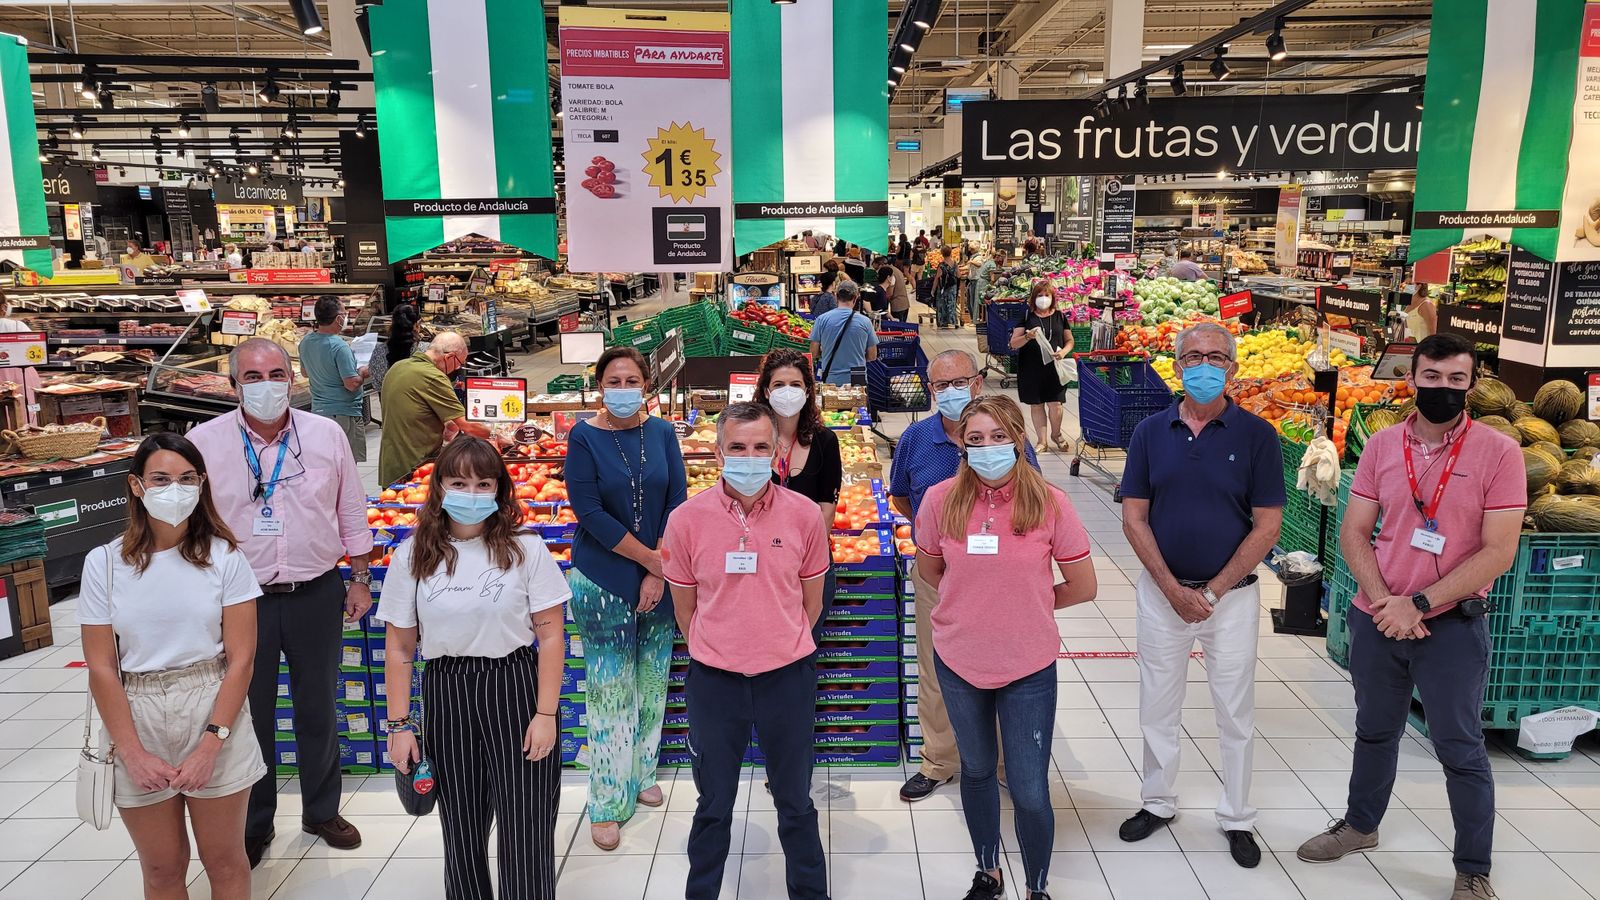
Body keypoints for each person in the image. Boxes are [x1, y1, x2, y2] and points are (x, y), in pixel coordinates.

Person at [1297, 335, 1524, 900]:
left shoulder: (1500, 452)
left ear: (1472, 383)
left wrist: (1419, 604)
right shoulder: (1380, 446)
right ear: (1413, 377)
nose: (1442, 389)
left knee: (1459, 747)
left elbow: (1499, 552)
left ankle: (1473, 869)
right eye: (1432, 377)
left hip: (1452, 626)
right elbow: (1354, 532)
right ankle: (1360, 825)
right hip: (1378, 619)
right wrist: (1385, 603)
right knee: (1375, 731)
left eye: (1455, 379)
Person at [188, 337, 374, 867]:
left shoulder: (325, 434)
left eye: (275, 374)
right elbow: (192, 525)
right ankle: (256, 820)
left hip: (317, 590)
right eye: (252, 376)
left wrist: (359, 575)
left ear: (292, 379)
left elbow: (351, 508)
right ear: (233, 386)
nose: (266, 386)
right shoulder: (204, 443)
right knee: (252, 714)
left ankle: (321, 810)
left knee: (318, 706)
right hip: (242, 601)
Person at [914, 396, 1097, 900]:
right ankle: (987, 870)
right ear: (961, 445)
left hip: (1027, 668)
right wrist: (976, 608)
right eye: (975, 439)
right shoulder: (938, 500)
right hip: (958, 661)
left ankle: (1038, 886)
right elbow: (931, 571)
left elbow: (1083, 586)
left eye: (998, 437)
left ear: (1019, 439)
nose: (987, 448)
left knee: (1030, 789)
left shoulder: (1050, 503)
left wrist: (1026, 606)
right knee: (974, 770)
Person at [1118, 321, 1285, 869]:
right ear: (1177, 365)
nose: (1204, 366)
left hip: (1231, 599)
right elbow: (1134, 517)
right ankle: (1158, 802)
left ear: (1232, 368)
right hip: (1161, 595)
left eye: (1216, 357)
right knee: (1156, 705)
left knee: (1235, 710)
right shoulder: (1148, 433)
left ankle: (1237, 816)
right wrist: (1170, 587)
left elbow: (1267, 526)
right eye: (1193, 357)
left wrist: (1210, 593)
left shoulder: (1257, 435)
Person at [381, 437, 571, 899]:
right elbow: (400, 649)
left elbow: (550, 636)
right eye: (459, 481)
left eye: (483, 482)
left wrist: (546, 715)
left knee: (526, 821)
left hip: (517, 687)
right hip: (449, 689)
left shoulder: (526, 550)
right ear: (440, 487)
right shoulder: (413, 556)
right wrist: (399, 725)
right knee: (461, 824)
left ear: (499, 490)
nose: (471, 491)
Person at [79, 433, 266, 900]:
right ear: (136, 486)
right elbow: (101, 667)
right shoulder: (103, 564)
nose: (174, 490)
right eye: (160, 479)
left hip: (211, 703)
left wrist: (211, 744)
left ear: (202, 485)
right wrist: (133, 752)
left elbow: (241, 659)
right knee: (162, 868)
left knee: (225, 862)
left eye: (186, 479)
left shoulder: (225, 558)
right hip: (135, 710)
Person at [661, 402, 830, 900]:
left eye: (761, 446)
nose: (749, 456)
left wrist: (777, 640)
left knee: (796, 802)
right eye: (737, 447)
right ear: (718, 453)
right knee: (713, 803)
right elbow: (684, 609)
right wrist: (720, 649)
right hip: (715, 683)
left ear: (777, 451)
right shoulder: (686, 520)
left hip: (788, 678)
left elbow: (811, 602)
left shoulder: (804, 516)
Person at [887, 350, 1040, 803]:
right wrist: (943, 540)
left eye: (959, 383)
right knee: (937, 669)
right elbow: (902, 499)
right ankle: (938, 761)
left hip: (1001, 578)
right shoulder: (915, 439)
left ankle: (1001, 762)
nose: (951, 392)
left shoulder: (1007, 437)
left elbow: (1031, 497)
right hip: (939, 573)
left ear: (977, 382)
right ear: (930, 390)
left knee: (1003, 667)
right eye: (940, 386)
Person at [565, 347, 688, 850]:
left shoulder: (661, 432)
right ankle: (607, 799)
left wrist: (660, 566)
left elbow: (677, 502)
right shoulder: (583, 436)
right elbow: (589, 512)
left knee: (652, 678)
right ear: (599, 386)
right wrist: (652, 562)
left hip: (660, 574)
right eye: (613, 381)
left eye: (632, 380)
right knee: (610, 690)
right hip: (602, 577)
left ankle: (641, 772)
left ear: (647, 386)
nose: (623, 389)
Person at [753, 347, 842, 640]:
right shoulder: (751, 442)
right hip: (758, 567)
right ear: (766, 391)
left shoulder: (825, 441)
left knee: (804, 646)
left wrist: (803, 558)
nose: (787, 392)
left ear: (807, 392)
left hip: (810, 566)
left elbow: (826, 505)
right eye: (779, 385)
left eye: (795, 385)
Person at [377, 331, 493, 487]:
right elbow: (468, 425)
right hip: (417, 468)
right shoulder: (433, 376)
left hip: (391, 466)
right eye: (460, 363)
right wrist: (496, 435)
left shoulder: (397, 367)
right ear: (449, 357)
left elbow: (411, 412)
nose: (458, 368)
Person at [297, 297, 369, 462]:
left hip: (319, 411)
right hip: (343, 413)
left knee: (329, 462)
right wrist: (364, 373)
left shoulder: (306, 342)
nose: (346, 317)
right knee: (347, 463)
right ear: (338, 318)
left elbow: (305, 372)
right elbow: (351, 384)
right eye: (345, 313)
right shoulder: (339, 346)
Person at [1010, 280, 1073, 451]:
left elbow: (1069, 340)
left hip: (1055, 368)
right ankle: (1042, 441)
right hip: (1031, 367)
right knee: (1036, 404)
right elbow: (1014, 343)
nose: (1043, 298)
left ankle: (1057, 434)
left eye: (1047, 295)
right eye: (1039, 295)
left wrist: (1063, 352)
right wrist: (1027, 337)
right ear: (1033, 298)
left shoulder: (1060, 316)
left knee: (1056, 403)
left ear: (1052, 298)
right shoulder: (1026, 317)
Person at [808, 280, 878, 385]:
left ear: (836, 296)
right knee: (857, 402)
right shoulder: (865, 322)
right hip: (857, 380)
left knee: (832, 401)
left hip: (831, 378)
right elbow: (872, 355)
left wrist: (827, 352)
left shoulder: (822, 320)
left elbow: (813, 352)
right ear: (855, 297)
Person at [0, 290, 41, 423]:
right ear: (4, 307)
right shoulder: (18, 325)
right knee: (26, 413)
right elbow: (35, 354)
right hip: (22, 374)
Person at [370, 302, 421, 397]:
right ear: (417, 325)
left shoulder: (379, 351)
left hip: (389, 407)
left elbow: (376, 384)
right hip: (419, 406)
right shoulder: (423, 350)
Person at [931, 249, 959, 328]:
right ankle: (953, 321)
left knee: (942, 304)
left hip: (943, 287)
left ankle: (943, 321)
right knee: (952, 304)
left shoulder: (942, 265)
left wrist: (933, 290)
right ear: (950, 253)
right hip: (952, 287)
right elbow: (959, 275)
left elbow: (937, 278)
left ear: (942, 254)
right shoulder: (955, 264)